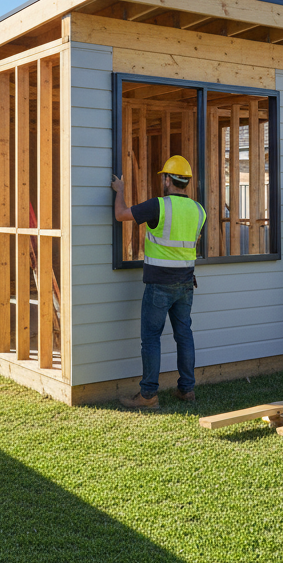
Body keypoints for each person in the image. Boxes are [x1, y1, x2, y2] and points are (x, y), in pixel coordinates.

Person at [111, 155, 207, 409]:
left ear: (167, 180)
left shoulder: (159, 206)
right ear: (186, 181)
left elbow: (120, 214)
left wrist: (120, 190)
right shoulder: (199, 211)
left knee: (151, 338)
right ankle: (187, 390)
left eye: (163, 177)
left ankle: (148, 395)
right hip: (185, 285)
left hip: (160, 285)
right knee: (184, 335)